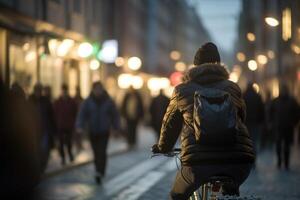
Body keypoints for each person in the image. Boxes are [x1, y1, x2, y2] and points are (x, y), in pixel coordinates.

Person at [152, 42, 255, 200]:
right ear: (219, 64)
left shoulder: (182, 90)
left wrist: (163, 147)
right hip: (239, 162)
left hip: (197, 164)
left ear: (195, 66)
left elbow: (170, 124)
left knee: (176, 195)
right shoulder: (232, 88)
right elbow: (241, 117)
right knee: (230, 189)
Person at [76, 81, 120, 184]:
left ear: (102, 89)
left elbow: (115, 115)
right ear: (93, 90)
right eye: (96, 89)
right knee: (96, 153)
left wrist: (116, 127)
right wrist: (79, 126)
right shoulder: (88, 101)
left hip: (104, 131)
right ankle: (97, 170)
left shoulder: (108, 101)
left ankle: (100, 171)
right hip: (92, 131)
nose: (98, 91)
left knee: (102, 152)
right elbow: (82, 114)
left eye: (100, 89)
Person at [28, 83, 56, 172]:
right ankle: (38, 167)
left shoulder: (46, 101)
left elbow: (51, 116)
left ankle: (42, 167)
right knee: (36, 150)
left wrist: (53, 129)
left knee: (45, 150)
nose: (38, 92)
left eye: (40, 90)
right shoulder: (30, 101)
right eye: (37, 90)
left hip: (45, 130)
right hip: (33, 130)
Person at [271, 84, 299, 170]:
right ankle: (280, 161)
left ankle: (286, 163)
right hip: (278, 126)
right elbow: (271, 112)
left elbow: (297, 113)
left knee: (287, 146)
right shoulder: (275, 101)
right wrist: (272, 122)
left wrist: (294, 123)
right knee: (278, 145)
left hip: (288, 126)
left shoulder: (292, 101)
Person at [54, 84, 77, 165]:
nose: (64, 93)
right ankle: (63, 158)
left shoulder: (71, 101)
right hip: (60, 125)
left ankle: (70, 154)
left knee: (69, 142)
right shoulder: (57, 102)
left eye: (65, 91)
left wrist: (74, 123)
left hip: (69, 125)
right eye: (63, 91)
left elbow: (75, 113)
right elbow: (54, 113)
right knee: (60, 143)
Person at [243, 82, 264, 156]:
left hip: (246, 122)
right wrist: (261, 121)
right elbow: (261, 110)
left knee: (246, 141)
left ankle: (247, 156)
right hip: (255, 122)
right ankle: (253, 158)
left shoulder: (243, 96)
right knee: (254, 141)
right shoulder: (257, 96)